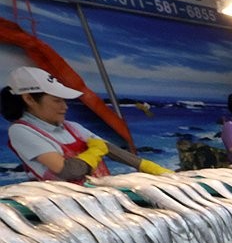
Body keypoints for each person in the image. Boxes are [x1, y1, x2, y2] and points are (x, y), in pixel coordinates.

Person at [2, 66, 172, 183]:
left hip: (97, 195)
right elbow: (67, 171)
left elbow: (111, 150)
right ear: (29, 99)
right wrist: (95, 151)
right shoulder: (21, 131)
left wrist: (149, 167)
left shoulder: (72, 126)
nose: (65, 107)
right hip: (69, 206)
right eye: (57, 101)